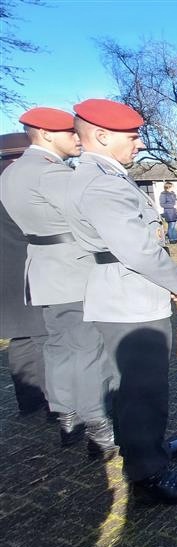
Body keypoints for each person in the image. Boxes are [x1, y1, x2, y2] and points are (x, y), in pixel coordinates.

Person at [65, 98, 177, 504]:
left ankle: (146, 449)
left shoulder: (98, 174)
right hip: (129, 295)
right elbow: (139, 249)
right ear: (102, 136)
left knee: (129, 386)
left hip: (119, 290)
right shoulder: (102, 182)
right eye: (133, 136)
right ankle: (150, 472)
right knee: (143, 389)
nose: (139, 144)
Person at [0, 107, 116, 456]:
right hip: (73, 268)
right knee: (86, 349)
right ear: (45, 134)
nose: (78, 138)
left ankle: (68, 418)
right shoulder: (53, 175)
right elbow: (94, 213)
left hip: (43, 268)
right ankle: (99, 427)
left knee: (58, 348)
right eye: (70, 133)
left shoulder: (14, 172)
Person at [0, 133, 49, 417]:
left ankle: (29, 402)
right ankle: (59, 405)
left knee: (20, 341)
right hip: (30, 271)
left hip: (6, 278)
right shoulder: (20, 189)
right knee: (46, 340)